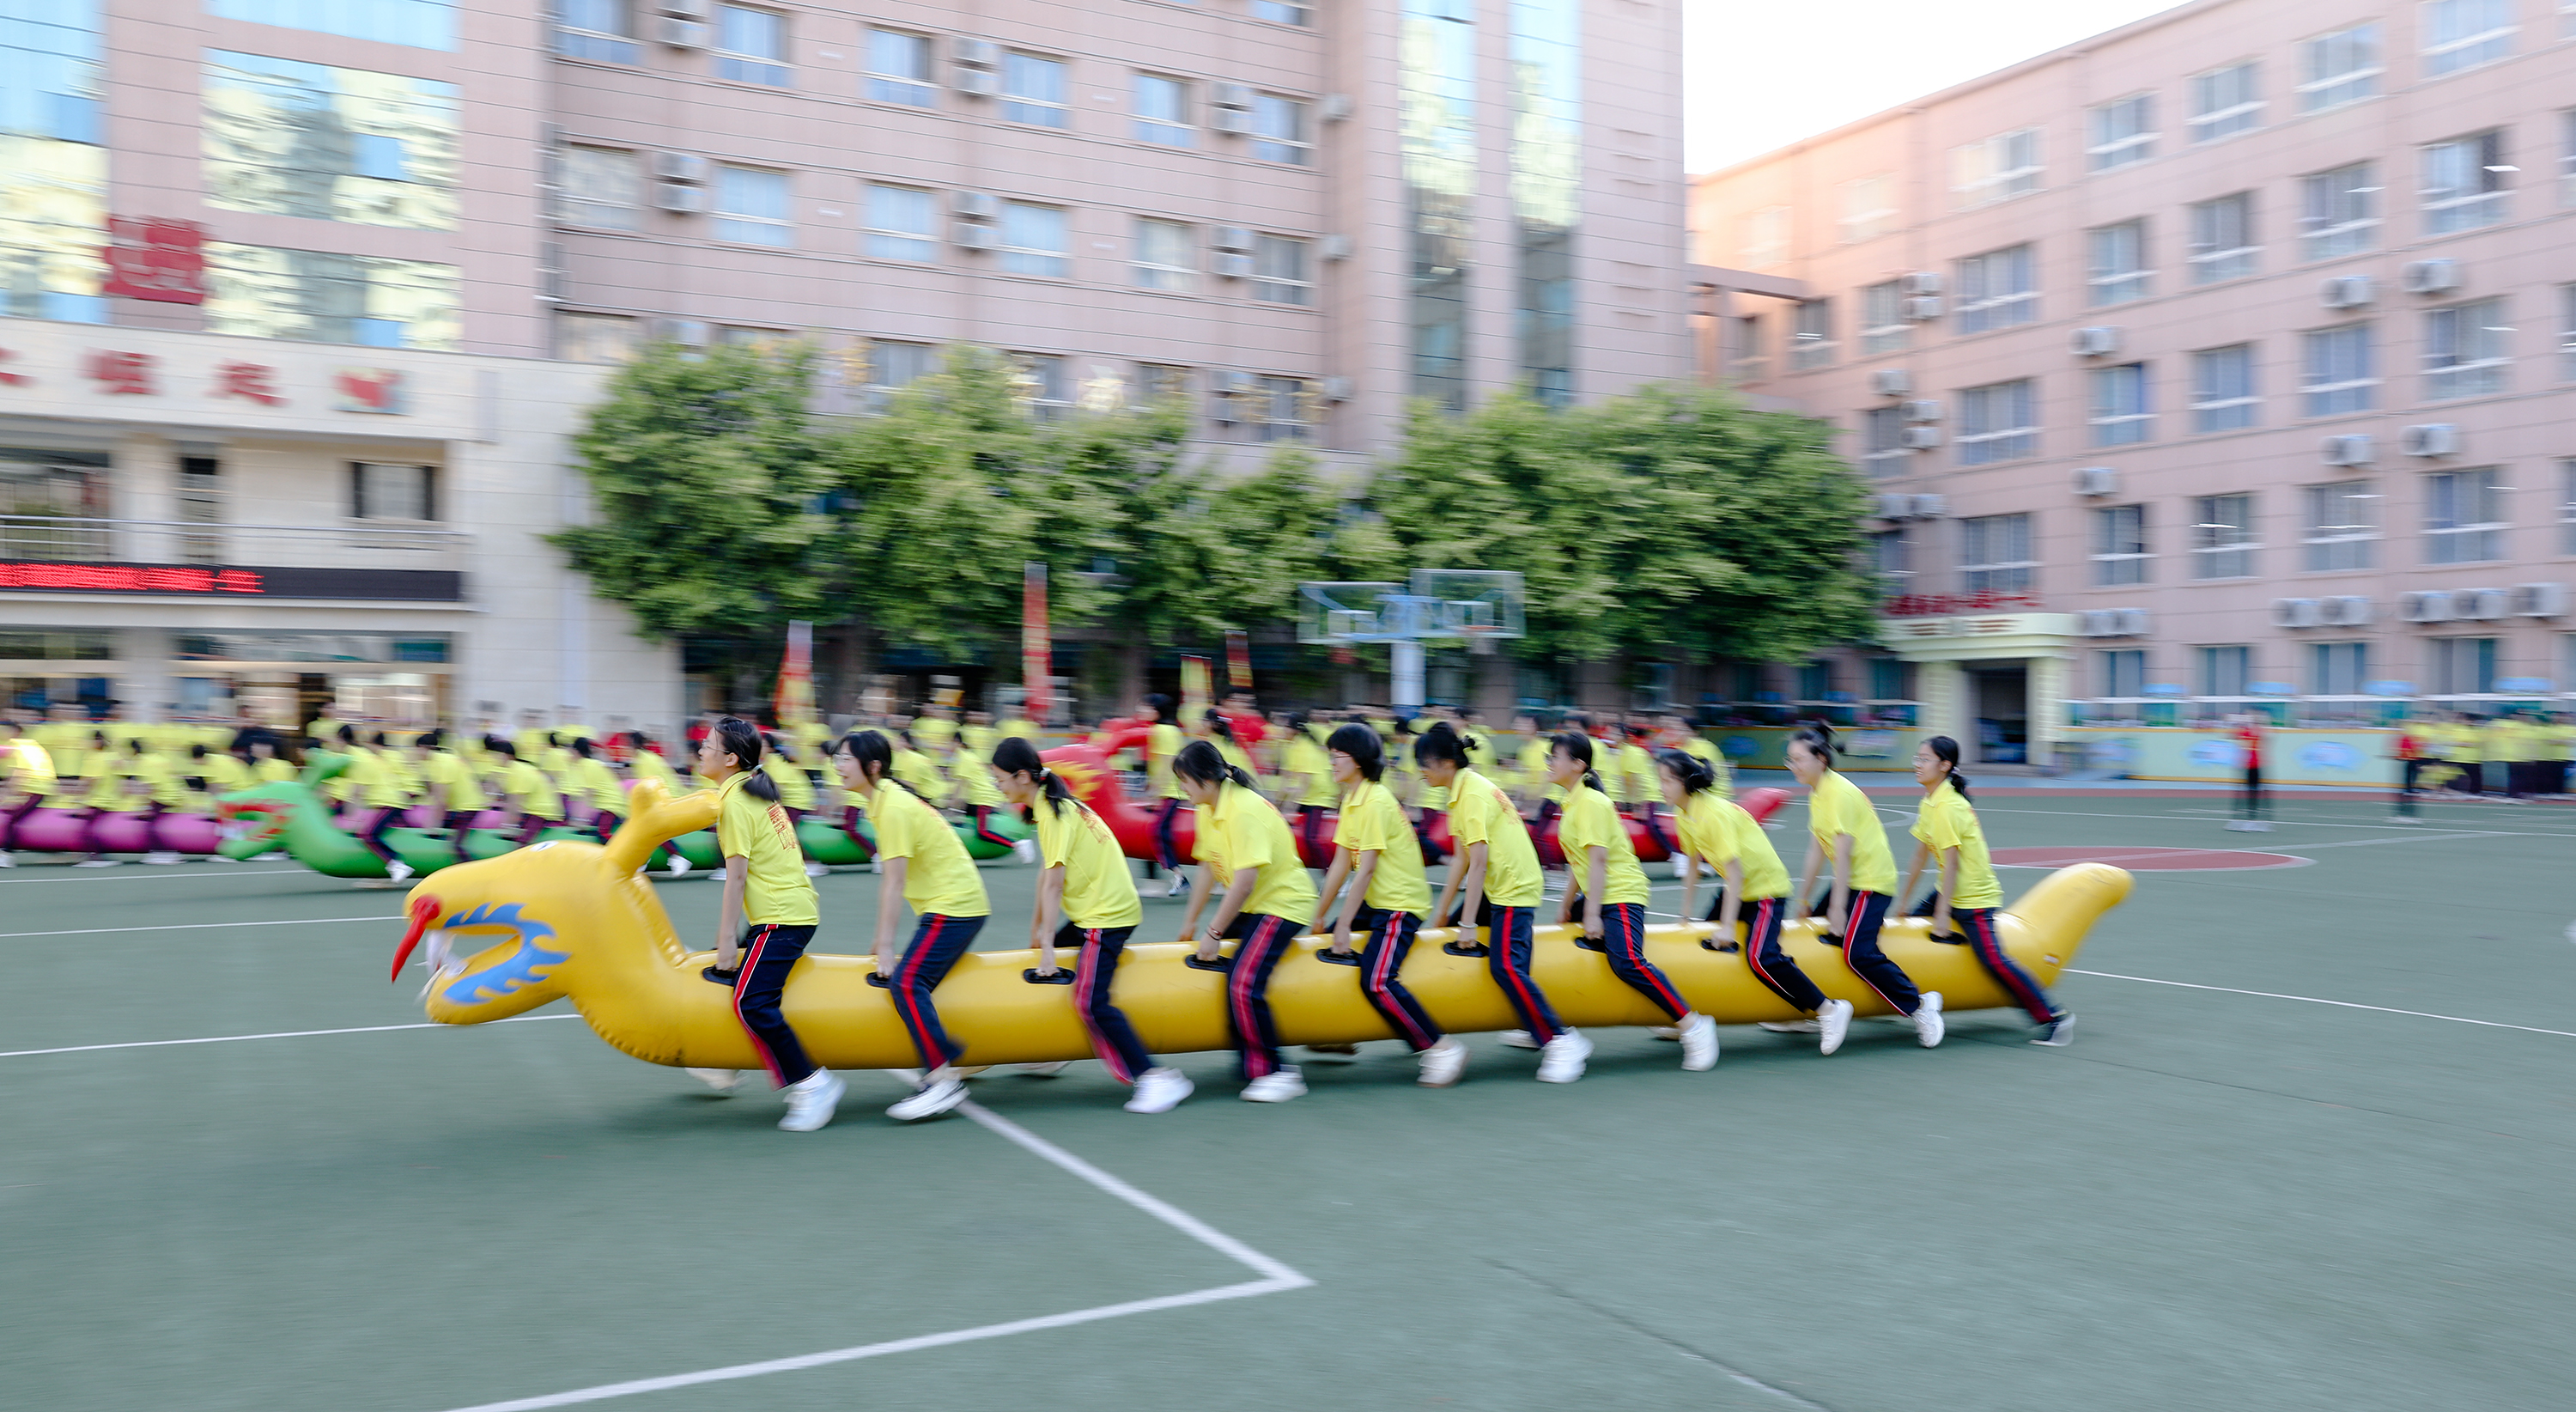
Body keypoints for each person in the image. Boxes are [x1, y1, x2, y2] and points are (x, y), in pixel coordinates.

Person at [995, 738, 1193, 1114]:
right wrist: (1039, 932)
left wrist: (1048, 947)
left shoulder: (1054, 813)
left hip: (1107, 916)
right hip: (1097, 910)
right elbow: (1046, 875)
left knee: (1091, 1001)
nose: (998, 786)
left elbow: (1054, 885)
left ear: (1022, 777)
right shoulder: (1054, 804)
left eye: (1000, 779)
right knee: (1060, 969)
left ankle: (1156, 1077)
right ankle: (1054, 1049)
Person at [684, 717, 843, 1130]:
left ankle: (814, 1083)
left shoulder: (737, 803)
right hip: (783, 912)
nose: (700, 750)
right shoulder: (748, 791)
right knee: (727, 984)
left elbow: (736, 878)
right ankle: (724, 1064)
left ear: (730, 758)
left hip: (781, 919)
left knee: (752, 1002)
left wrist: (726, 940)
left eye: (707, 745)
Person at [840, 729, 992, 1122]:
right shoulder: (885, 800)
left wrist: (885, 945)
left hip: (955, 907)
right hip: (952, 905)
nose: (838, 767)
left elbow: (894, 882)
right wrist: (881, 940)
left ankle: (942, 1078)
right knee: (915, 979)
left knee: (907, 983)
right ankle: (952, 1055)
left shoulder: (892, 807)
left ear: (873, 767)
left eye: (845, 759)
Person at [1662, 747, 1852, 1054]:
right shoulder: (1685, 815)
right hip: (1738, 890)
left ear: (1686, 782)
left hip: (1765, 890)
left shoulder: (1713, 813)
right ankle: (1686, 1017)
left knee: (1763, 957)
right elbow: (1693, 865)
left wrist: (1727, 926)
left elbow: (1735, 873)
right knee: (1699, 949)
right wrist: (1685, 915)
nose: (1660, 787)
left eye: (1667, 781)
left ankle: (1828, 1009)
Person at [1548, 732, 1718, 1074]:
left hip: (1621, 894)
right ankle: (1542, 1025)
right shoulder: (1572, 801)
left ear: (1578, 765)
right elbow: (1578, 862)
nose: (1549, 763)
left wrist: (1591, 913)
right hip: (1598, 893)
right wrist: (1567, 905)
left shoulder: (1592, 803)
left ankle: (1693, 1025)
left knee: (1627, 961)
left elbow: (1598, 861)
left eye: (1554, 757)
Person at [1310, 724, 1466, 1086]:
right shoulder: (1353, 799)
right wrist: (1321, 917)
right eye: (1330, 755)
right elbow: (1340, 863)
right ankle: (1343, 1031)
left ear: (1358, 760)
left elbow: (1365, 870)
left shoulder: (1375, 801)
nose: (1331, 762)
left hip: (1399, 904)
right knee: (1331, 955)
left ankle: (1441, 1048)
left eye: (1337, 756)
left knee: (1378, 980)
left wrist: (1344, 924)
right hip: (1378, 901)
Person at [1419, 721, 1571, 1080]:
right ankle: (1528, 1023)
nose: (1420, 771)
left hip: (1513, 886)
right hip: (1498, 884)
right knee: (1454, 942)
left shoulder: (1471, 794)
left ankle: (1561, 1041)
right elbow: (1461, 858)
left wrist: (1468, 924)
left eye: (1424, 764)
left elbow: (1478, 862)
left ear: (1445, 764)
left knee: (1505, 967)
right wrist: (1444, 913)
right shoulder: (1461, 790)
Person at [1899, 736, 2073, 1045]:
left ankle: (2053, 1018)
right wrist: (1903, 903)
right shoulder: (1930, 801)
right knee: (1907, 936)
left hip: (1974, 897)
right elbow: (1918, 857)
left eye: (1924, 760)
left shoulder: (1949, 806)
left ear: (1945, 766)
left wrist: (1942, 915)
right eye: (1917, 758)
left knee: (1993, 961)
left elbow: (1952, 865)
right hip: (1947, 890)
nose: (1918, 765)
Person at [1171, 739, 1316, 1102]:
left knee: (1243, 982)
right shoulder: (1208, 807)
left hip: (1283, 904)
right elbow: (1208, 866)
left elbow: (1244, 881)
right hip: (1256, 904)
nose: (1181, 789)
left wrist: (1213, 931)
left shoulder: (1243, 810)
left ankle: (1278, 1072)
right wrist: (1190, 923)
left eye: (1184, 781)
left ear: (1207, 779)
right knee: (1229, 973)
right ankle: (1250, 1060)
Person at [1789, 724, 1942, 1048]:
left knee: (1857, 953)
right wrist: (1804, 900)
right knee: (1809, 937)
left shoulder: (1839, 794)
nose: (1794, 766)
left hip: (1871, 882)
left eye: (1799, 759)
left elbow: (1842, 855)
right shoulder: (1818, 793)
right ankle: (1809, 1007)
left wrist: (1836, 908)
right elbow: (1817, 849)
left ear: (1821, 759)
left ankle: (1920, 1006)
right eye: (1790, 760)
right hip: (1852, 882)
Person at [1141, 694, 1189, 896]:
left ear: (1157, 710)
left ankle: (1179, 876)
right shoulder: (1168, 730)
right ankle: (1153, 881)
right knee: (1149, 832)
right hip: (1169, 790)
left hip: (1171, 792)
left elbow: (1166, 764)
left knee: (1160, 831)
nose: (1142, 711)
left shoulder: (1163, 731)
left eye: (1146, 707)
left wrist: (1155, 792)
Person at [1275, 710, 1339, 861]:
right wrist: (1277, 804)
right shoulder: (1293, 747)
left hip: (1318, 797)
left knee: (1312, 838)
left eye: (1286, 727)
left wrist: (1291, 806)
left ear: (1295, 730)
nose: (1282, 730)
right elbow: (1287, 778)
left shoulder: (1304, 748)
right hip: (1307, 796)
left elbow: (1305, 781)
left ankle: (1329, 870)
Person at [0, 717, 56, 867]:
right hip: (32, 789)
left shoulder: (20, 746)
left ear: (14, 731)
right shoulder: (25, 745)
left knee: (12, 820)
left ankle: (6, 854)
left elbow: (20, 773)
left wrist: (8, 795)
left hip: (35, 790)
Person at [486, 738, 562, 846]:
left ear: (507, 756)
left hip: (541, 811)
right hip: (531, 809)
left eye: (495, 755)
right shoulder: (514, 769)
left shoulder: (518, 772)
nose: (492, 758)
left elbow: (515, 802)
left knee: (522, 844)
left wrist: (508, 826)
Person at [2226, 714, 2271, 830]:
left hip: (2255, 767)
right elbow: (2232, 735)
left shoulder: (2256, 732)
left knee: (2253, 794)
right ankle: (2243, 820)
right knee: (2246, 793)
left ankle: (2253, 820)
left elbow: (2234, 735)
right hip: (2248, 766)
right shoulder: (2249, 731)